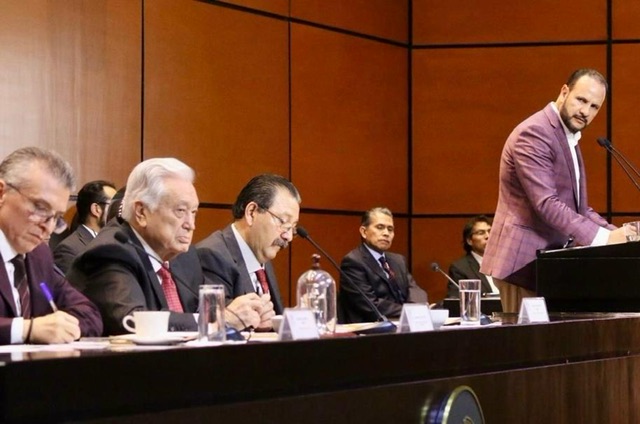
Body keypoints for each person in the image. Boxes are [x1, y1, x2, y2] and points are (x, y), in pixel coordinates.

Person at [67, 158, 269, 335]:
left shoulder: (183, 255)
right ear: (141, 212)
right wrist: (217, 320)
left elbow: (198, 312)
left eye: (193, 212)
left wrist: (247, 314)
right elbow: (133, 320)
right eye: (180, 211)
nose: (191, 225)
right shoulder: (111, 251)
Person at [481, 68, 627, 313]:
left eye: (594, 107)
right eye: (581, 100)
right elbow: (547, 203)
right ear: (564, 91)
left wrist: (618, 235)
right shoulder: (535, 133)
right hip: (522, 264)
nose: (585, 111)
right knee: (528, 339)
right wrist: (603, 239)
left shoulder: (567, 135)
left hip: (546, 267)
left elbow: (577, 209)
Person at [0, 147, 102, 344]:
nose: (48, 227)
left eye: (56, 217)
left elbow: (89, 314)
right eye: (40, 208)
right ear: (2, 193)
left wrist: (62, 327)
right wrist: (26, 329)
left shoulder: (39, 255)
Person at [197, 174, 300, 318]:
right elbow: (214, 321)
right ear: (251, 213)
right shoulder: (212, 256)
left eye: (292, 228)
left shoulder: (261, 254)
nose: (288, 236)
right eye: (283, 222)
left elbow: (271, 319)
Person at [339, 207, 428, 323]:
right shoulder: (353, 262)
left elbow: (415, 290)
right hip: (371, 328)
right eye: (380, 227)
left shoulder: (398, 260)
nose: (386, 233)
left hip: (403, 323)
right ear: (364, 232)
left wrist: (418, 308)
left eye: (390, 229)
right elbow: (371, 304)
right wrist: (411, 312)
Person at [53, 180, 117, 273]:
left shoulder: (116, 243)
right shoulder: (69, 250)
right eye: (113, 205)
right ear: (96, 209)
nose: (118, 211)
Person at [448, 215, 498, 297]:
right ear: (469, 241)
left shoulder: (507, 265)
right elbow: (454, 299)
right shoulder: (461, 268)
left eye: (490, 231)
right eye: (481, 233)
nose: (488, 236)